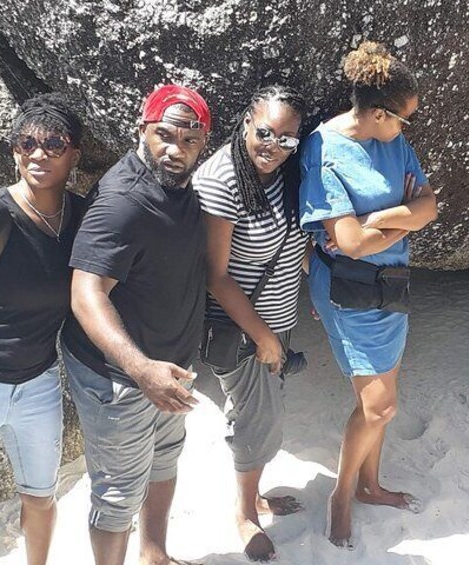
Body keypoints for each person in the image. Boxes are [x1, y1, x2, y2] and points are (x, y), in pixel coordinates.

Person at [60, 84, 210, 565]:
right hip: (120, 378)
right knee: (119, 492)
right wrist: (141, 369)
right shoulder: (124, 200)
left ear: (202, 143)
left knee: (165, 460)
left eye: (189, 141)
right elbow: (86, 293)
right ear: (141, 129)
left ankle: (155, 555)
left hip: (169, 369)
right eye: (164, 135)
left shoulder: (181, 187)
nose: (175, 150)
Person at [299, 41, 438, 548]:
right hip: (348, 289)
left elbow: (428, 206)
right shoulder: (323, 150)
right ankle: (342, 493)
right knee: (378, 407)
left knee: (384, 399)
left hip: (391, 280)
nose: (406, 129)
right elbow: (349, 247)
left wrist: (380, 219)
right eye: (404, 119)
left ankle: (370, 484)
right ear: (379, 113)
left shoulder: (393, 143)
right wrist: (401, 218)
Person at [192, 85, 308, 562]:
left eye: (287, 139)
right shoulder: (222, 179)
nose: (273, 146)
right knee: (258, 420)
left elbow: (292, 236)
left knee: (263, 413)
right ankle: (244, 512)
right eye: (264, 133)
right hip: (240, 329)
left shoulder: (283, 171)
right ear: (245, 124)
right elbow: (215, 276)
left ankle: (254, 494)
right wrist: (264, 339)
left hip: (277, 320)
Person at [0, 94, 84, 565]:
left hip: (40, 383)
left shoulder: (84, 217)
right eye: (26, 143)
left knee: (40, 496)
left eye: (53, 143)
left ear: (74, 154)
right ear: (15, 151)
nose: (38, 154)